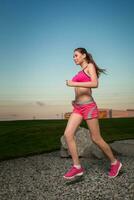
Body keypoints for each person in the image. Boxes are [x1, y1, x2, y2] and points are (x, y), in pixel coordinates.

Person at [63, 47, 122, 180]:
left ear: (84, 55)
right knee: (68, 134)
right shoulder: (79, 72)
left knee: (96, 138)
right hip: (78, 107)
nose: (74, 58)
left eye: (76, 55)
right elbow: (81, 88)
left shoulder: (90, 66)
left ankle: (115, 162)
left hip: (88, 106)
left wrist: (72, 83)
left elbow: (95, 84)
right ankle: (77, 167)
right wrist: (76, 98)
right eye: (73, 56)